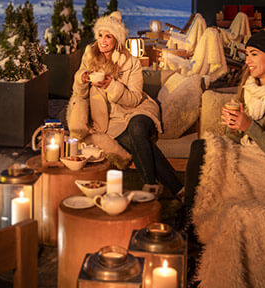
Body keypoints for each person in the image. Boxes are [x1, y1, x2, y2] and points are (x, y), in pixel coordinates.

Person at [183, 31, 265, 208]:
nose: (247, 61)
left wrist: (249, 125)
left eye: (254, 54)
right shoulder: (250, 89)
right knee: (201, 148)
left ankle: (192, 220)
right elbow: (238, 139)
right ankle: (191, 214)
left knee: (217, 170)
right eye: (247, 55)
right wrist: (234, 126)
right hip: (253, 154)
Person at [71, 11, 183, 198]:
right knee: (135, 140)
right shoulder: (89, 56)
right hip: (112, 120)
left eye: (108, 36)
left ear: (117, 39)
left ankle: (149, 186)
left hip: (139, 109)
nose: (103, 41)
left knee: (137, 129)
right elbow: (79, 93)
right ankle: (180, 190)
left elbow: (134, 98)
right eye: (100, 35)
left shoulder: (131, 62)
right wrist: (82, 79)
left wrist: (111, 85)